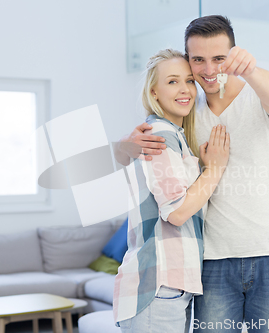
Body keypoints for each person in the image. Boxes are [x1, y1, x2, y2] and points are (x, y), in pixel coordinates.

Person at [115, 16, 269, 332]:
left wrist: (251, 70)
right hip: (210, 260)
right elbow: (154, 159)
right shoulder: (186, 109)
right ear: (189, 61)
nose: (209, 69)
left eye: (219, 59)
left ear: (234, 55)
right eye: (198, 60)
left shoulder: (261, 94)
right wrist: (122, 148)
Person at [113, 48, 230, 333]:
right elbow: (176, 212)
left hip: (169, 285)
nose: (185, 89)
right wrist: (214, 169)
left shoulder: (174, 136)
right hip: (159, 285)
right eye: (172, 81)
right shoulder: (159, 135)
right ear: (154, 93)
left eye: (190, 80)